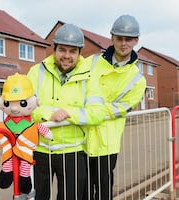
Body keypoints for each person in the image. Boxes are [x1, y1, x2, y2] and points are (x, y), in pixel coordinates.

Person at [27, 23, 106, 200]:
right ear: (54, 49)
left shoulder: (90, 76)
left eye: (72, 51)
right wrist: (47, 114)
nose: (67, 56)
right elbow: (24, 109)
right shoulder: (35, 72)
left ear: (79, 54)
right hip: (39, 150)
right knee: (38, 197)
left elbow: (98, 113)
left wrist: (70, 113)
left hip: (72, 151)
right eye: (62, 50)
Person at [83, 14, 147, 200]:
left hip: (106, 144)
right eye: (119, 38)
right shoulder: (91, 62)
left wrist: (90, 112)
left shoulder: (137, 80)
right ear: (112, 38)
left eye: (128, 39)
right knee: (83, 191)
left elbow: (120, 109)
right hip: (81, 138)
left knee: (103, 192)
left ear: (136, 40)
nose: (123, 43)